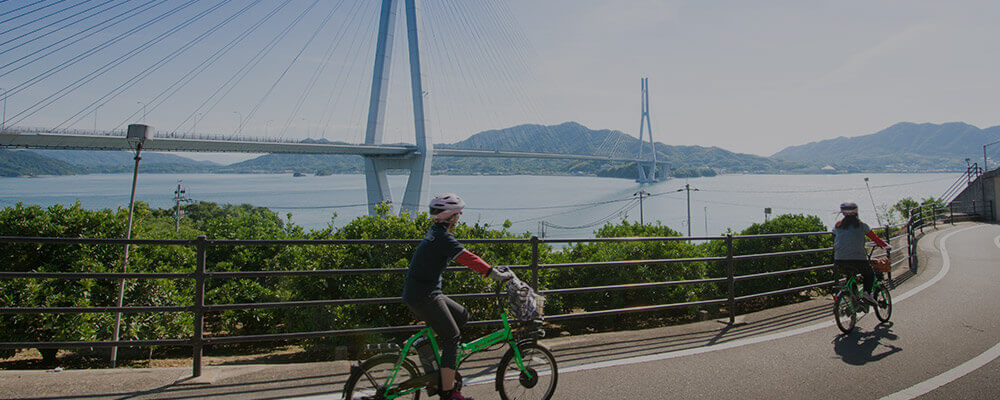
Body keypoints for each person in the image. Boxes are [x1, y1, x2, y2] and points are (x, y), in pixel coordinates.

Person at [402, 193, 514, 400]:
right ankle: (448, 392)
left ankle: (426, 345)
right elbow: (467, 258)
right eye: (458, 212)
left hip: (423, 293)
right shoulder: (443, 238)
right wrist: (493, 273)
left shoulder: (436, 232)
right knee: (452, 338)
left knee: (462, 315)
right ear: (450, 216)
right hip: (424, 296)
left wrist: (490, 270)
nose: (460, 215)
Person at [833, 202, 890, 305]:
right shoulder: (862, 226)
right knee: (869, 275)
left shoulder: (837, 226)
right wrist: (886, 245)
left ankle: (854, 299)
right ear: (856, 212)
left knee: (850, 275)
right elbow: (874, 238)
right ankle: (866, 295)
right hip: (858, 258)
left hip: (839, 259)